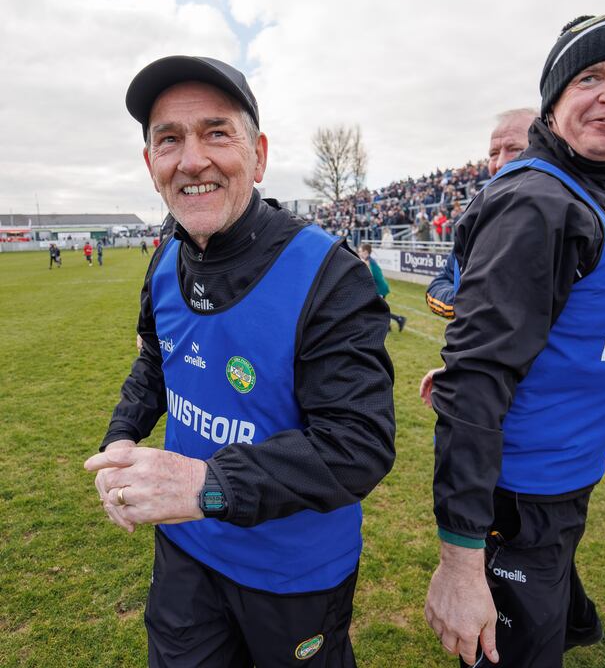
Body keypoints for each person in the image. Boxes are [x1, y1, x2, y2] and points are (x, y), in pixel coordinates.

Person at [83, 55, 395, 667]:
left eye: (216, 132)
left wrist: (207, 484)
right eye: (168, 139)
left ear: (259, 153)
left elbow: (359, 445)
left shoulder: (328, 274)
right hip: (186, 549)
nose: (191, 159)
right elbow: (155, 362)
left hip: (295, 574)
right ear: (151, 165)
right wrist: (122, 435)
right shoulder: (164, 259)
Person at [425, 15, 605, 667]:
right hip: (521, 494)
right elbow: (474, 385)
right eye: (590, 76)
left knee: (549, 606)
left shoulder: (594, 198)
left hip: (565, 479)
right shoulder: (536, 204)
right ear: (554, 100)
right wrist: (460, 566)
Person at [425, 108, 538, 319]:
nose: (499, 163)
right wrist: (465, 300)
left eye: (514, 148)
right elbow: (439, 284)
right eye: (493, 153)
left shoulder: (569, 214)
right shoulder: (477, 221)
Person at [358, 242, 406, 331]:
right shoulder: (368, 261)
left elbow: (370, 277)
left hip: (380, 289)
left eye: (360, 251)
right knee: (379, 309)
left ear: (365, 252)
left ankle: (399, 319)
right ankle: (389, 326)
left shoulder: (368, 262)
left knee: (378, 309)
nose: (359, 253)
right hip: (379, 288)